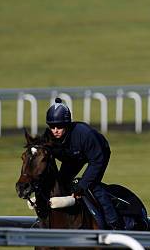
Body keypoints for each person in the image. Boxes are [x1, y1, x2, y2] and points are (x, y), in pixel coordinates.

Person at [46, 98, 123, 230]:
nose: (55, 130)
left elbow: (97, 162)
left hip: (98, 153)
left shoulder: (85, 134)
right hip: (73, 156)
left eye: (59, 126)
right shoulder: (49, 137)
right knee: (62, 183)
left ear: (67, 124)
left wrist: (82, 186)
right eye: (52, 126)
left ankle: (114, 222)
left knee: (90, 186)